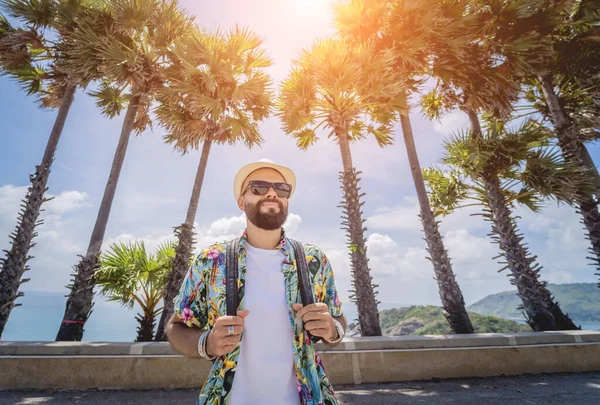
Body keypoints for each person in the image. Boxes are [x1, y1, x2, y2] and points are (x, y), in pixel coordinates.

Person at [166, 159, 348, 405]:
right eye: (258, 187)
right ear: (241, 202)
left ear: (286, 201)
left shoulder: (313, 260)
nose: (272, 193)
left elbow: (338, 319)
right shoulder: (211, 261)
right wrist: (206, 343)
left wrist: (331, 330)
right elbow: (176, 327)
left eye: (281, 189)